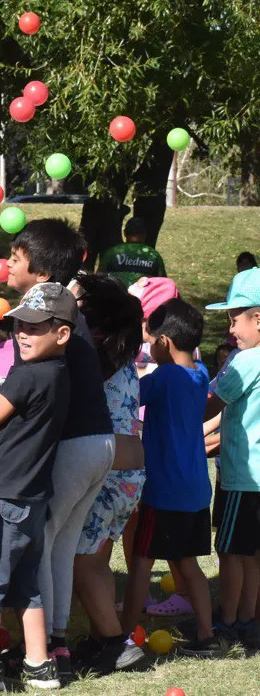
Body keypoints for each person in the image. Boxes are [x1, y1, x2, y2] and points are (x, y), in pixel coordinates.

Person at [5, 219, 114, 677]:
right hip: (99, 442)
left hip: (74, 445)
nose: (8, 264)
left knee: (44, 543)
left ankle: (44, 644)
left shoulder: (42, 315)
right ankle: (59, 640)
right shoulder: (71, 312)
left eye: (16, 257)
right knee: (62, 546)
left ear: (42, 273)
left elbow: (27, 389)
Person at [0, 283, 77, 690]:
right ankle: (37, 663)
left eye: (34, 327)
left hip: (5, 492)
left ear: (62, 333)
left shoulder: (28, 374)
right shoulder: (60, 373)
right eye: (18, 326)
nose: (22, 334)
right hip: (34, 495)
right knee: (26, 584)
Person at [119, 300, 220, 656]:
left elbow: (128, 399)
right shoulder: (201, 374)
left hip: (163, 491)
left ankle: (122, 638)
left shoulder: (162, 377)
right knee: (188, 563)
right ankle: (207, 635)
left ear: (162, 341)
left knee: (142, 564)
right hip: (195, 488)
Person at [66, 274, 147, 673]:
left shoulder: (96, 359)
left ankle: (117, 644)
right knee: (99, 561)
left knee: (84, 562)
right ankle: (103, 638)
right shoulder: (124, 359)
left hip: (107, 470)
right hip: (129, 474)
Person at [205, 267, 260, 648]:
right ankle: (247, 619)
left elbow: (210, 404)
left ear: (259, 318)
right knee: (251, 553)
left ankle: (226, 622)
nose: (231, 331)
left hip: (240, 475)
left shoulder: (245, 361)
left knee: (229, 551)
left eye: (235, 319)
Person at [98, 217, 166, 288]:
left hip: (116, 295)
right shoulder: (153, 255)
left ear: (124, 233)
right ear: (145, 234)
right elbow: (164, 283)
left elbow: (98, 278)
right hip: (143, 297)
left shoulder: (112, 252)